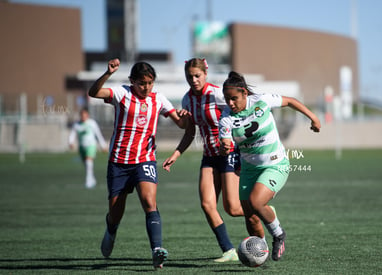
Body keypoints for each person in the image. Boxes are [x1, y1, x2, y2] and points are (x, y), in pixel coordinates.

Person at [88, 58, 188, 269]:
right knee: (116, 213)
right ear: (132, 81)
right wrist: (107, 74)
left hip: (145, 159)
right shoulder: (121, 93)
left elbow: (180, 124)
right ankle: (111, 229)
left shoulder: (159, 99)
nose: (146, 87)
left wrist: (184, 116)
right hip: (119, 161)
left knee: (149, 202)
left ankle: (156, 251)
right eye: (142, 83)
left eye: (150, 83)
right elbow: (94, 93)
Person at [162, 58, 264, 262]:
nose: (193, 80)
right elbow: (190, 132)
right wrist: (175, 154)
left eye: (197, 75)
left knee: (233, 208)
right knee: (207, 204)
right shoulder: (186, 100)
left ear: (205, 74)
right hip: (208, 157)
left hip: (229, 154)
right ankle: (228, 251)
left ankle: (263, 216)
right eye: (189, 76)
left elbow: (241, 111)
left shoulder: (218, 94)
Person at [219, 71, 321, 261]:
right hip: (249, 169)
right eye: (227, 99)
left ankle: (279, 235)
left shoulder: (262, 100)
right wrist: (224, 147)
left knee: (256, 202)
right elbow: (225, 143)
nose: (230, 104)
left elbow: (290, 101)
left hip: (275, 164)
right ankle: (259, 253)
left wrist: (312, 117)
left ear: (244, 93)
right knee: (250, 216)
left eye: (234, 99)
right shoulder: (226, 117)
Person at [68, 108, 107, 189]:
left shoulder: (92, 123)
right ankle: (92, 179)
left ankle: (88, 182)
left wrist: (103, 145)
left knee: (89, 162)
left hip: (91, 146)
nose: (83, 116)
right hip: (82, 147)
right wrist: (71, 142)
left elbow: (98, 134)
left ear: (87, 115)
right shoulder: (77, 125)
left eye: (85, 115)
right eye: (82, 115)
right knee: (86, 165)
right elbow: (72, 134)